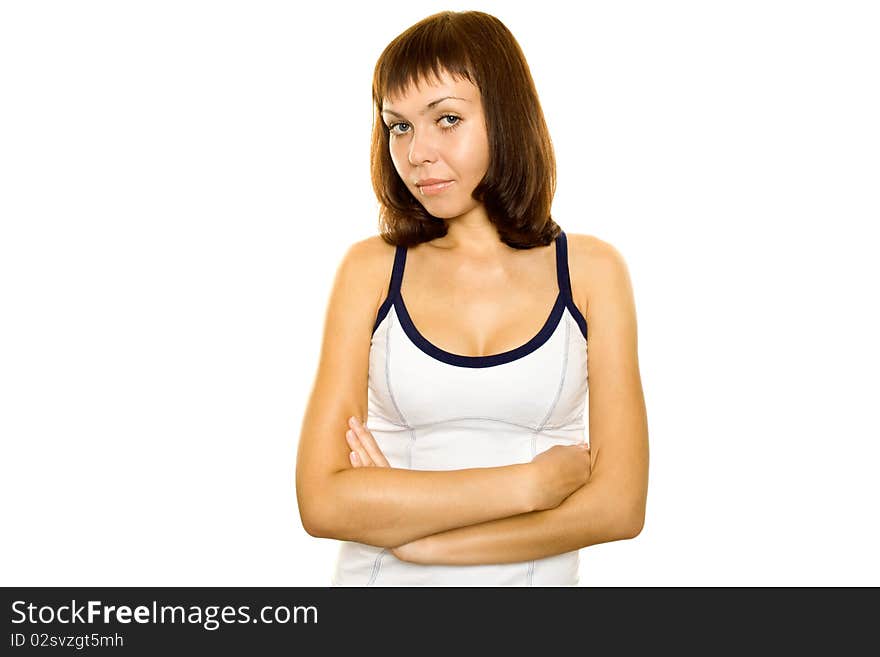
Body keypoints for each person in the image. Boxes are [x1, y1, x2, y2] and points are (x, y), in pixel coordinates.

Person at [295, 10, 649, 586]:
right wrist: (530, 485)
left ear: (506, 119)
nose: (416, 153)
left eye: (447, 119)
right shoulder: (371, 270)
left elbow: (618, 507)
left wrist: (425, 544)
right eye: (399, 126)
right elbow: (323, 502)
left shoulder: (591, 272)